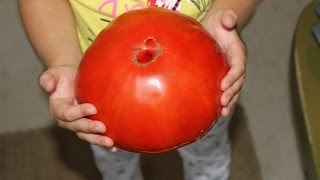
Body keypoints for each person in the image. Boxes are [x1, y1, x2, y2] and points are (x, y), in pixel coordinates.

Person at [19, 0, 258, 179]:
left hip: (208, 79)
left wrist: (225, 16)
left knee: (208, 150)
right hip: (102, 95)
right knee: (114, 159)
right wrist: (64, 59)